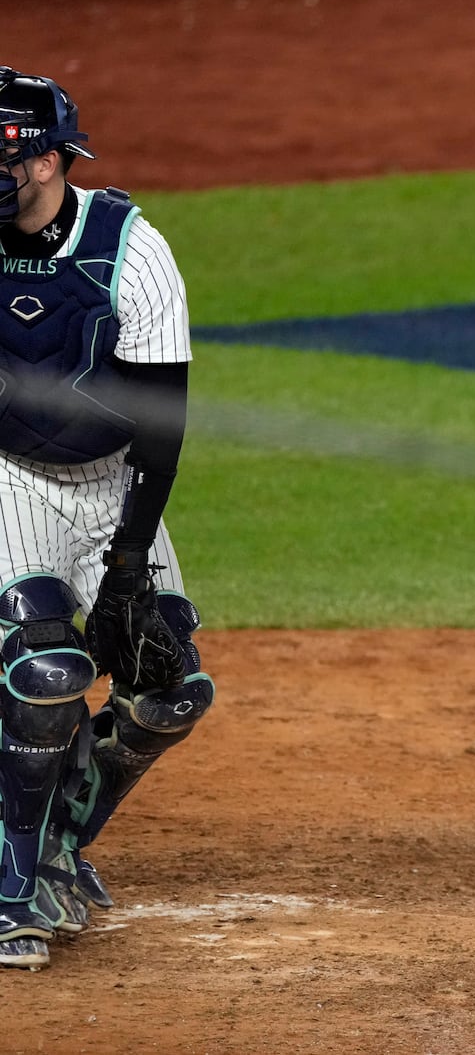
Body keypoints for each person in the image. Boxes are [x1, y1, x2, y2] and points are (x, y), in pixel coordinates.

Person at [0, 66, 214, 969]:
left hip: (116, 480)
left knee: (170, 689)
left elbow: (162, 431)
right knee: (48, 668)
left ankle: (58, 844)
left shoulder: (129, 248)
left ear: (47, 161)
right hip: (9, 476)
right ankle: (14, 876)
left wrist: (129, 567)